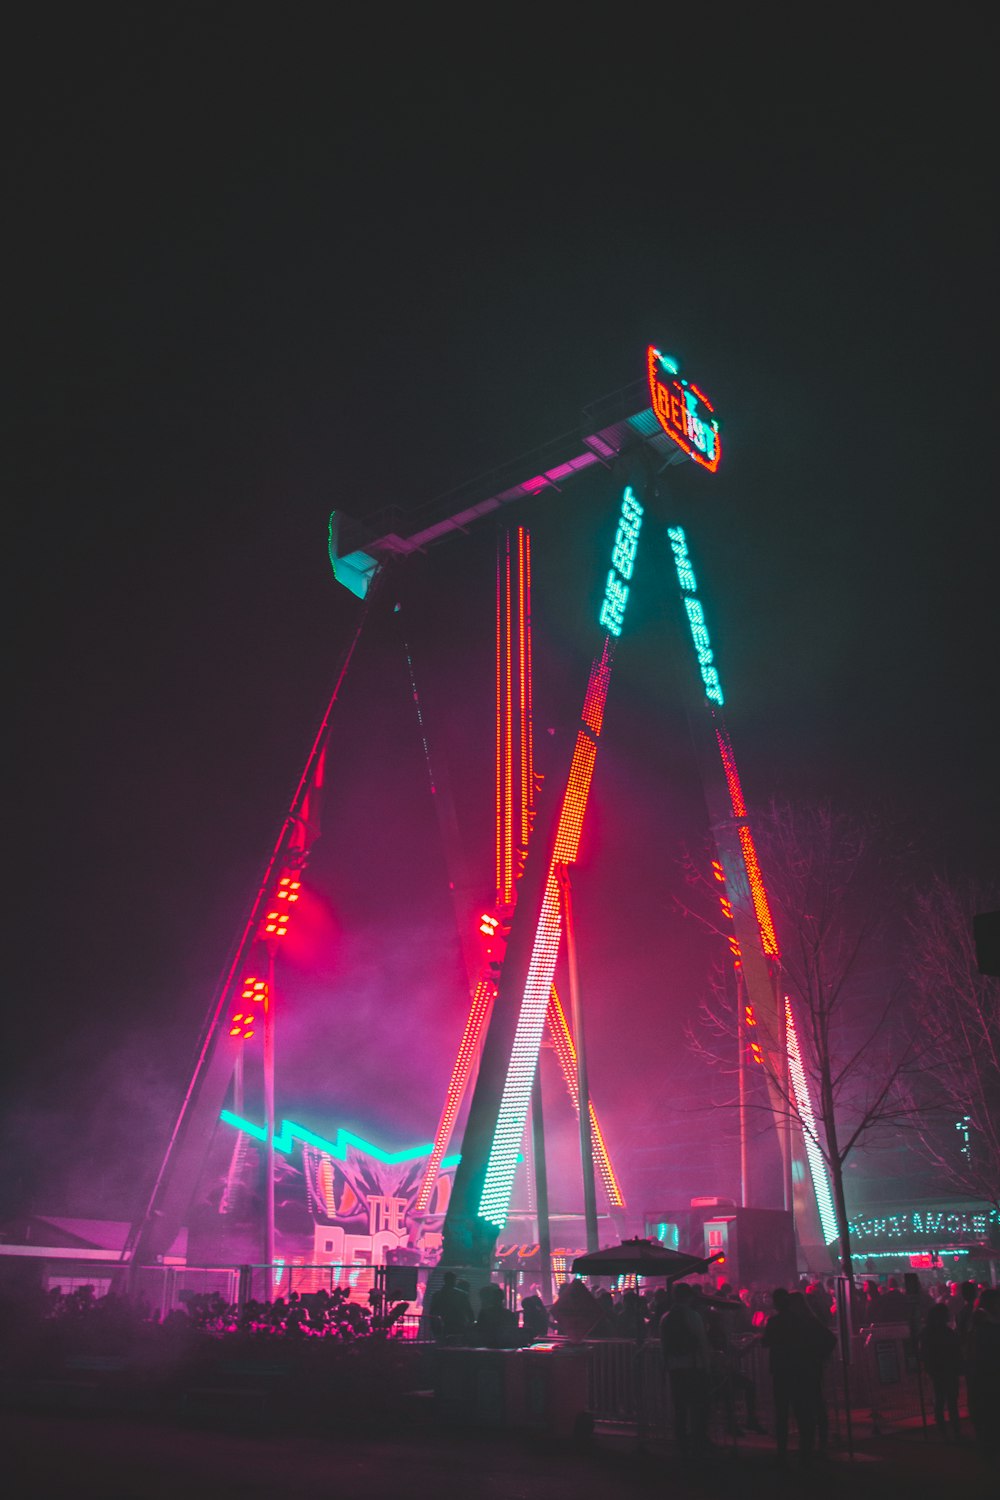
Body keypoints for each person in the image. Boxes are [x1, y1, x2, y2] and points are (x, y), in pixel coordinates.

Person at [659, 1282, 712, 1455]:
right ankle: (698, 1439)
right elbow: (702, 1342)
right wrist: (707, 1364)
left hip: (674, 1367)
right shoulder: (693, 1316)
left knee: (679, 1406)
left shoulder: (665, 1317)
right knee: (697, 1404)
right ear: (689, 1297)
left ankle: (680, 1440)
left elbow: (664, 1344)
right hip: (692, 1365)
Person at [919, 1301, 961, 1442]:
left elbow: (925, 1352)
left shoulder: (927, 1333)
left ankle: (944, 1430)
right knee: (951, 1401)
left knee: (940, 1399)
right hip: (948, 1369)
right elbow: (956, 1350)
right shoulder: (947, 1332)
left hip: (938, 1370)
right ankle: (955, 1431)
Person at [427, 1270, 474, 1345]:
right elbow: (468, 1310)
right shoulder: (462, 1295)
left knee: (443, 1347)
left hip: (443, 1325)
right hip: (459, 1324)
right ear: (454, 1280)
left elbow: (432, 1312)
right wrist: (470, 1323)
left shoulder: (437, 1295)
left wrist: (434, 1327)